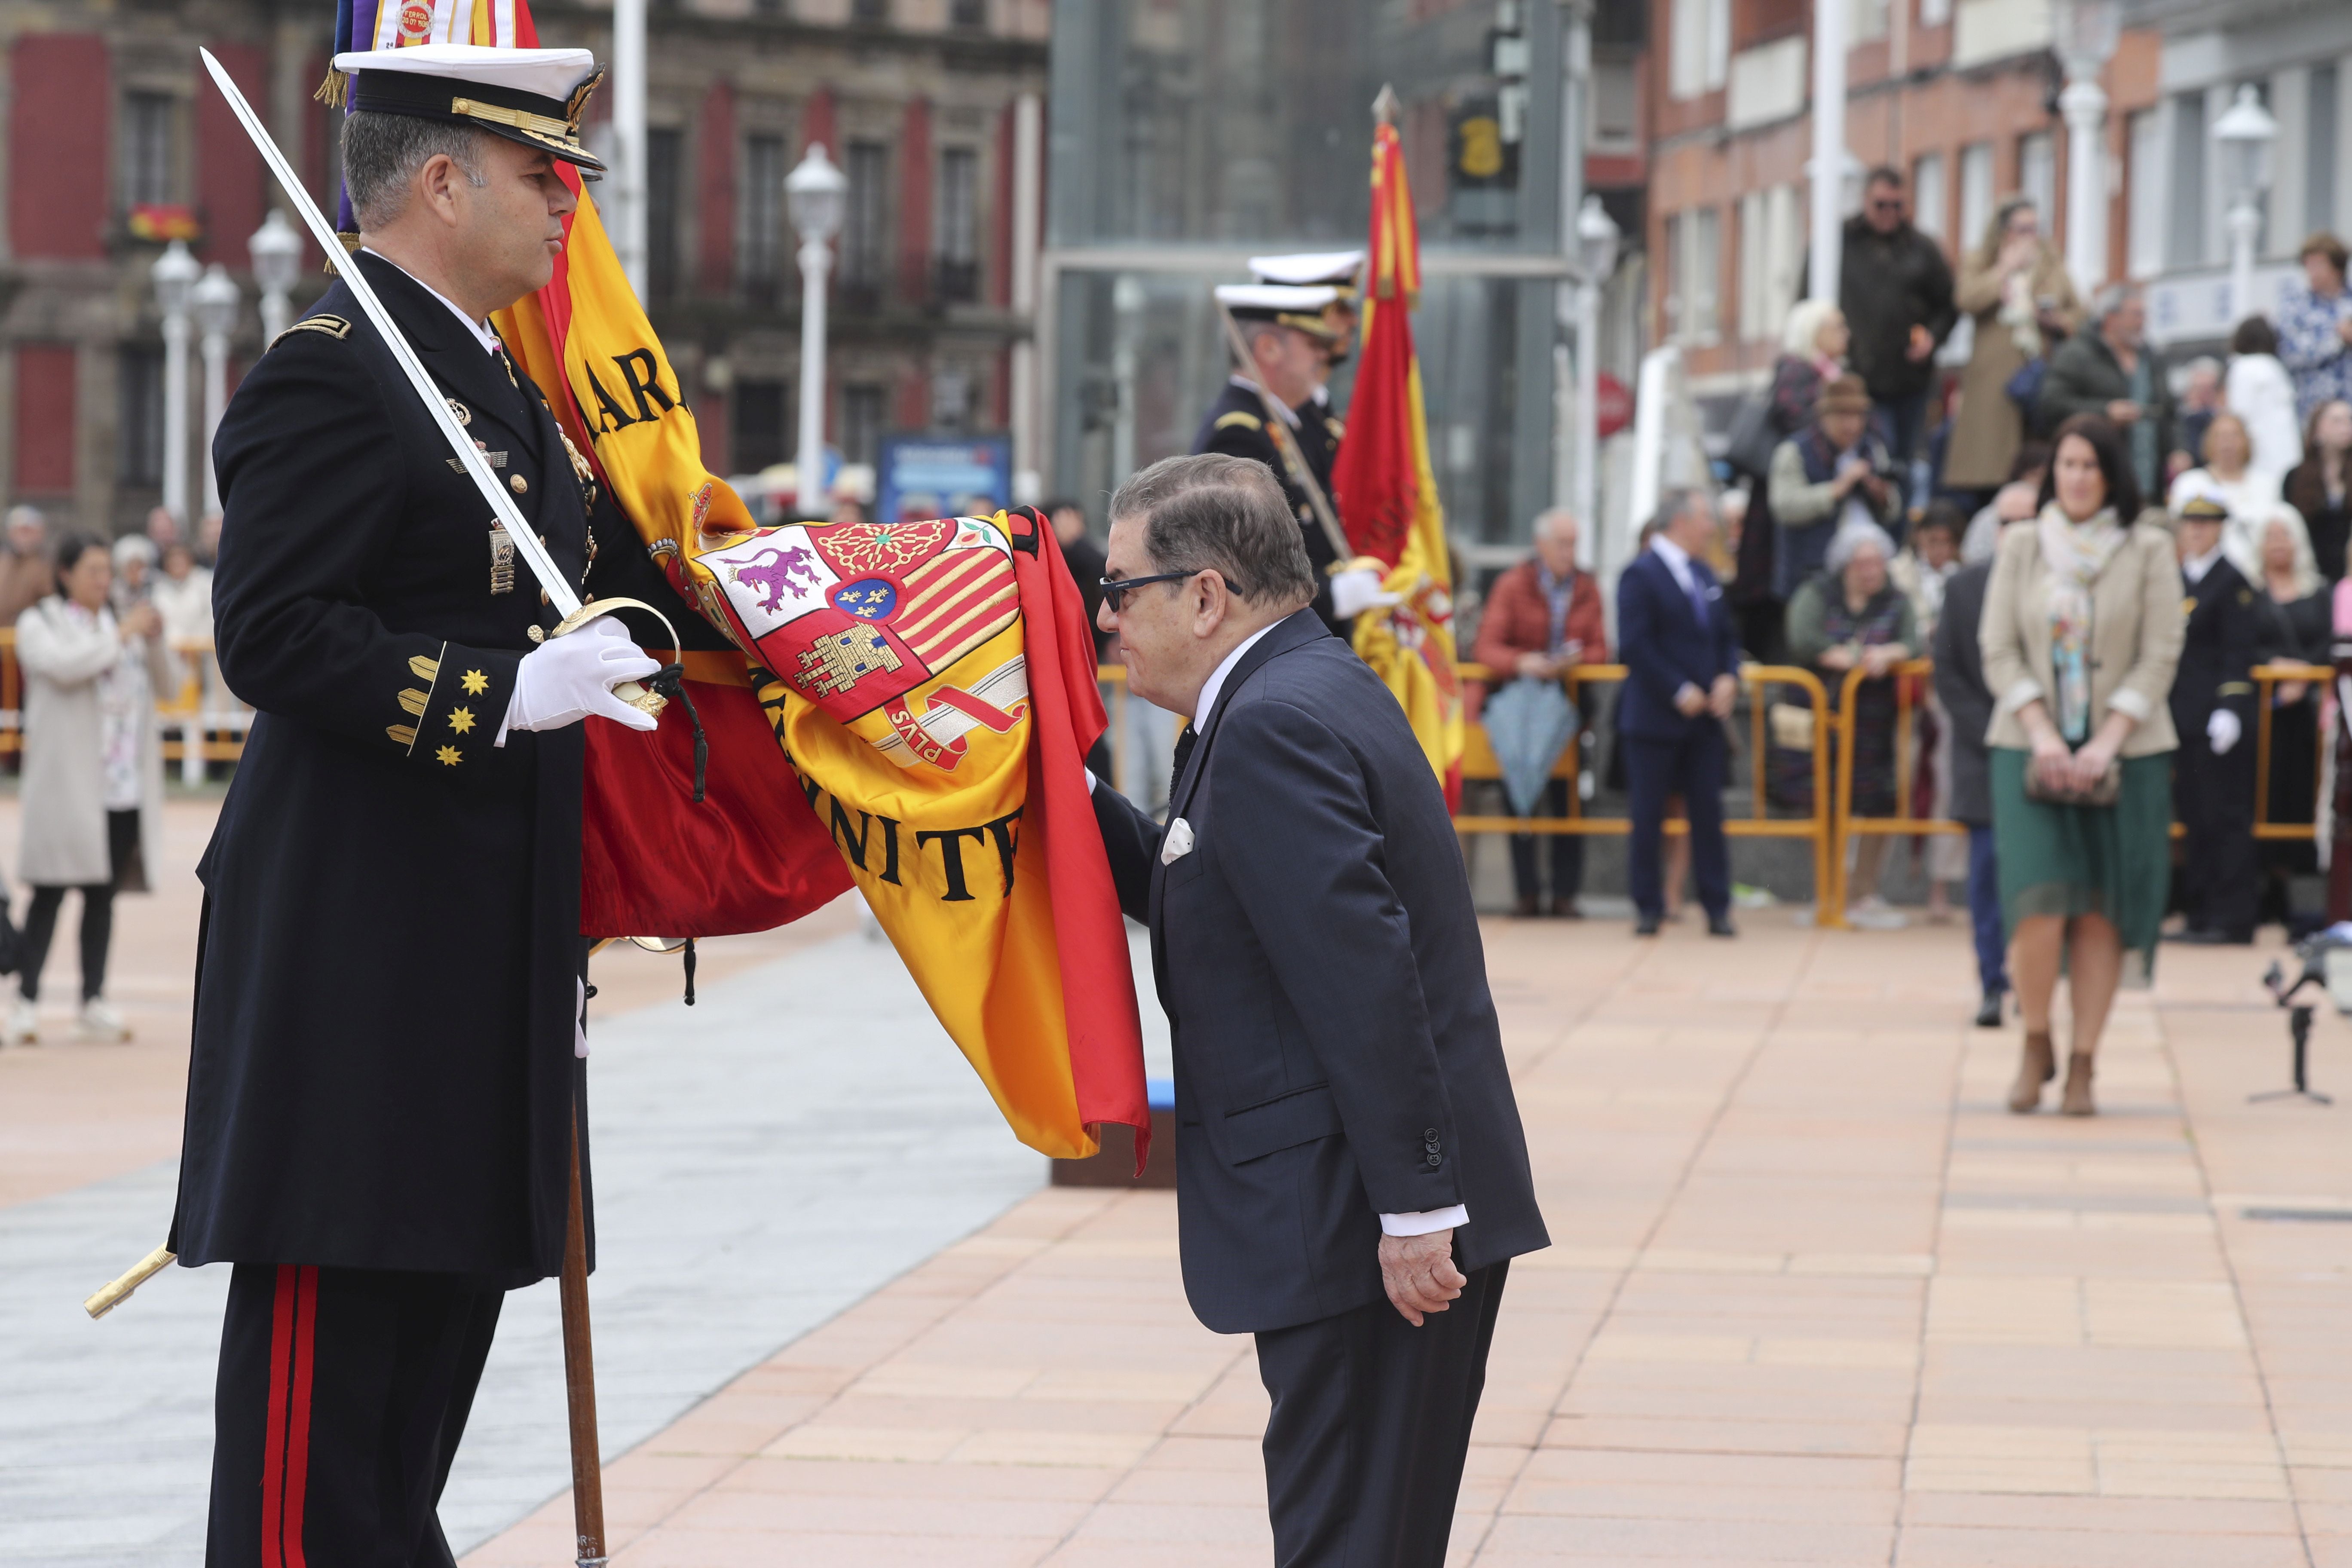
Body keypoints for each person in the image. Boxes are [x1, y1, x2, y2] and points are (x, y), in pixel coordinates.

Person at [170, 45, 667, 1560]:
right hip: (358, 966)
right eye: (542, 176)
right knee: (316, 1455)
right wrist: (508, 694)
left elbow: (613, 591)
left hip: (475, 956)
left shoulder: (498, 388)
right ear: (444, 179)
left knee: (405, 1439)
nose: (568, 210)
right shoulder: (336, 366)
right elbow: (272, 629)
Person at [1085, 451, 1549, 1568]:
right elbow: (1217, 892)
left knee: (1347, 1540)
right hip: (1363, 1208)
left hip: (1359, 1223)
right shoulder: (1291, 687)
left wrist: (1414, 1209)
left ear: (1205, 595)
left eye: (1119, 589)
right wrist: (1069, 799)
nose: (1105, 618)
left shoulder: (1269, 723)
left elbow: (1363, 976)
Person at [1981, 415, 2182, 1116]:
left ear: (2111, 474)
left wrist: (2105, 739)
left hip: (2126, 750)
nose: (2075, 477)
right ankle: (2035, 1037)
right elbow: (1997, 646)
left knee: (2100, 910)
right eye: (2065, 464)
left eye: (2088, 466)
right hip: (2027, 746)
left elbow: (2161, 650)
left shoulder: (2149, 548)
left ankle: (2083, 1064)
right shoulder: (2022, 545)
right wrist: (2041, 731)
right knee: (2039, 903)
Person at [8, 533, 174, 1046]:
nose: (105, 580)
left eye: (108, 571)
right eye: (95, 571)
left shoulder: (120, 625)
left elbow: (171, 687)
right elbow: (63, 667)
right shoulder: (42, 624)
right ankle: (27, 1001)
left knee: (103, 897)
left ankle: (92, 999)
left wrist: (155, 640)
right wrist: (124, 633)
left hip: (121, 785)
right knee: (50, 893)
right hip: (68, 784)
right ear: (66, 575)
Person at [1194, 283, 1388, 636]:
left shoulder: (1283, 424)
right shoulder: (1238, 435)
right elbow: (1245, 567)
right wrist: (1334, 596)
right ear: (1268, 349)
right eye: (1314, 345)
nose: (1324, 357)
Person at [1617, 488, 1742, 938]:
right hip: (1654, 719)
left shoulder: (1705, 573)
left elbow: (1726, 637)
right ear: (1680, 522)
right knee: (1648, 816)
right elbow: (1635, 644)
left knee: (1708, 815)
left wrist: (1729, 677)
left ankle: (1717, 906)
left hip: (1705, 720)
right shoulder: (1640, 574)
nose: (1711, 528)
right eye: (1706, 518)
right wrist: (1678, 689)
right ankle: (1648, 907)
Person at [1472, 509, 1608, 918]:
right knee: (1521, 795)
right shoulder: (1514, 584)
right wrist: (1523, 662)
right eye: (1563, 544)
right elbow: (1487, 647)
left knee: (1568, 802)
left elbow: (1604, 649)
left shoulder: (1587, 587)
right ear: (1541, 546)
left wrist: (1576, 660)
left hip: (1569, 708)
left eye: (1574, 544)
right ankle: (1526, 894)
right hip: (1521, 710)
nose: (1570, 553)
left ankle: (1565, 894)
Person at [1785, 520, 1917, 929]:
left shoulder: (1897, 600)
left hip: (1876, 725)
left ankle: (1863, 891)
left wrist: (1892, 653)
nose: (1871, 571)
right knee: (1822, 802)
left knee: (1879, 804)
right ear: (1845, 565)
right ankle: (1829, 892)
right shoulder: (1818, 594)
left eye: (1878, 562)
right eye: (1863, 563)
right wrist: (1841, 656)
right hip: (1823, 717)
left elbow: (1915, 642)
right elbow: (1801, 637)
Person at [2165, 496, 2264, 946]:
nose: (2198, 531)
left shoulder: (2232, 582)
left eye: (2207, 524)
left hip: (2218, 720)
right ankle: (2201, 913)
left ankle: (2233, 916)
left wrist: (2231, 707)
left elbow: (2237, 651)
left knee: (2225, 817)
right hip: (2183, 718)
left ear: (2220, 529)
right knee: (2195, 817)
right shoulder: (2178, 580)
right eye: (2191, 524)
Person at [1733, 300, 1850, 662]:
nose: (1846, 335)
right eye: (1836, 327)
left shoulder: (1830, 374)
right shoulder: (1800, 374)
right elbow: (1798, 420)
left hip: (1809, 506)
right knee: (1773, 593)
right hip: (1779, 511)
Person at [1946, 197, 2082, 499]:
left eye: (2034, 228)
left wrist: (2056, 319)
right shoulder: (1982, 260)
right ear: (2004, 231)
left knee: (2038, 458)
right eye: (2021, 229)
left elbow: (2080, 313)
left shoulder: (2051, 263)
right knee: (1993, 460)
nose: (2029, 236)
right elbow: (1967, 299)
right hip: (1995, 379)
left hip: (2040, 373)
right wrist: (2004, 270)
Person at [1831, 166, 1957, 467]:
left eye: (1897, 205)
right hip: (1857, 380)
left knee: (1905, 463)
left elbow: (1949, 305)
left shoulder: (1922, 248)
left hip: (1910, 381)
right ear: (1865, 201)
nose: (1889, 212)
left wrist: (1933, 338)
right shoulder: (1839, 244)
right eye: (1881, 204)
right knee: (1870, 460)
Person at [1933, 546, 2009, 1026]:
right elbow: (1948, 671)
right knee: (1985, 877)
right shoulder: (1963, 589)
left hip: (2051, 755)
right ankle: (1993, 981)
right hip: (1983, 751)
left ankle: (2033, 974)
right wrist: (1994, 731)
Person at [2251, 505, 2330, 928]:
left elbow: (2329, 642)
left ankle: (2304, 905)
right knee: (2262, 796)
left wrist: (2302, 675)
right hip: (2266, 712)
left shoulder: (2318, 590)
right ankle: (2265, 895)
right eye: (2271, 535)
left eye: (2286, 535)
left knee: (2304, 799)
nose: (2279, 544)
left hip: (2309, 717)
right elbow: (2242, 641)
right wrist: (2274, 668)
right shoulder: (2249, 591)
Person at [1894, 501, 1969, 921]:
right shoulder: (1898, 574)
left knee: (1943, 788)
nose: (1938, 549)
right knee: (1900, 782)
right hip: (1902, 696)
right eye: (1931, 540)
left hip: (1948, 696)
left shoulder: (1965, 579)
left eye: (1946, 542)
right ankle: (1865, 885)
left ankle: (1939, 890)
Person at [2038, 283, 2179, 507]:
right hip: (2102, 486)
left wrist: (2177, 450)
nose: (2143, 322)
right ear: (2111, 318)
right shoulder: (2077, 354)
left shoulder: (2151, 357)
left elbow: (2170, 410)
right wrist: (2104, 412)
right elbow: (2052, 404)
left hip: (2151, 484)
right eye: (2136, 314)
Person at [1769, 373, 1902, 600]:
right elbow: (1784, 506)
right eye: (1843, 416)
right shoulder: (1794, 451)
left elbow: (1894, 509)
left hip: (1868, 576)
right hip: (1812, 577)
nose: (1851, 425)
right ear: (1823, 416)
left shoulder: (1872, 449)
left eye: (1857, 416)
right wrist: (1837, 489)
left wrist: (1881, 496)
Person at [2169, 412, 2291, 579]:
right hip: (2204, 579)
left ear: (2247, 441)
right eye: (2220, 436)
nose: (2227, 443)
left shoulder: (2267, 484)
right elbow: (2180, 538)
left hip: (2257, 578)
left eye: (2234, 435)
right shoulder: (2190, 483)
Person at [2278, 232, 2352, 420]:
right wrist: (2337, 340)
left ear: (2337, 268)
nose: (2311, 272)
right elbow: (2290, 354)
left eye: (2318, 265)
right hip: (2314, 412)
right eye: (2307, 265)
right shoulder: (2296, 306)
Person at [2225, 317, 2303, 485]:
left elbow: (2239, 416)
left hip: (2259, 452)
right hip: (2288, 450)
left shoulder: (2242, 368)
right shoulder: (2276, 367)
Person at [2284, 398, 2352, 586]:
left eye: (2349, 420)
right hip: (2311, 575)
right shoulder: (2296, 478)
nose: (2346, 427)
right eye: (2337, 421)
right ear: (2317, 429)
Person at [1961, 442, 2051, 566]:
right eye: (2035, 475)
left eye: (2025, 521)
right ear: (2020, 474)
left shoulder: (2053, 518)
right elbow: (1973, 561)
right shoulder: (1988, 517)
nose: (2039, 482)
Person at [0, 505, 55, 625]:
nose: (22, 536)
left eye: (27, 531)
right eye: (18, 530)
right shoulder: (3, 561)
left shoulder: (46, 567)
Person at [2176, 357, 2223, 479]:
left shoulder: (2224, 419)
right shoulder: (2178, 420)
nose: (2203, 395)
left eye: (2208, 389)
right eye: (2199, 389)